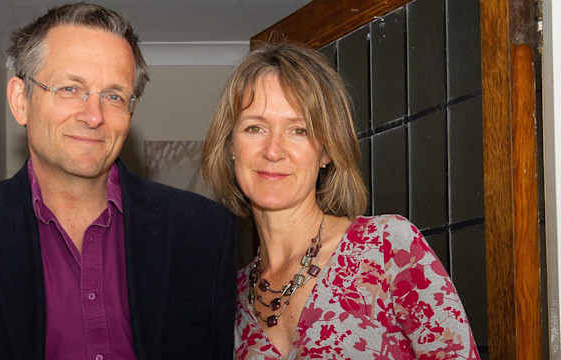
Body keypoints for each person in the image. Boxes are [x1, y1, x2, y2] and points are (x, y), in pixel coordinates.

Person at [0, 3, 238, 359]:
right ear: (20, 101)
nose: (93, 115)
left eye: (114, 96)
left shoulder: (203, 234)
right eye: (71, 88)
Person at [201, 42, 479, 359]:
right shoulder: (226, 300)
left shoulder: (387, 248)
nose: (273, 150)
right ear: (230, 146)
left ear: (327, 150)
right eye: (255, 127)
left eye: (299, 130)